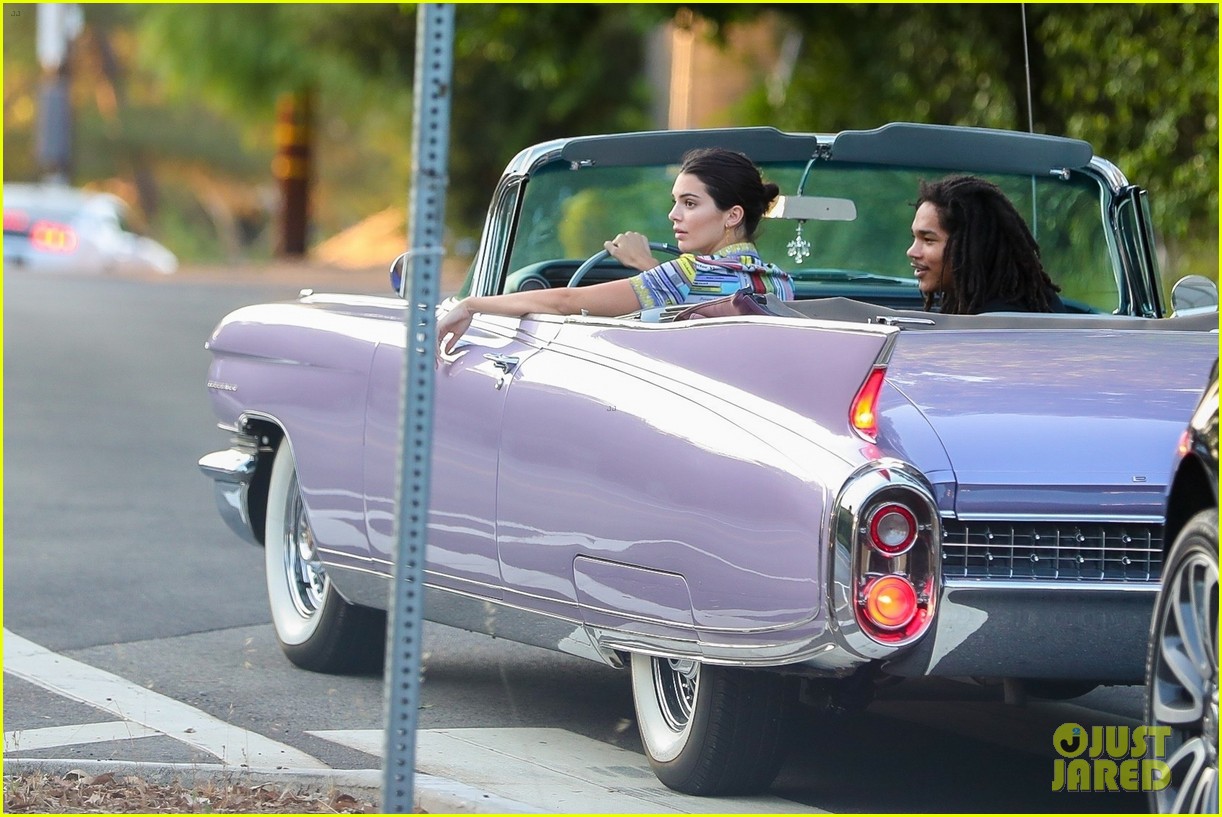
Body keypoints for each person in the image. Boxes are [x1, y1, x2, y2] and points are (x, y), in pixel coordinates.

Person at [436, 147, 792, 354]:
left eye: (689, 203)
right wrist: (648, 267)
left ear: (732, 215)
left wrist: (471, 304)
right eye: (675, 202)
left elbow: (564, 302)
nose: (673, 214)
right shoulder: (780, 283)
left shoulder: (687, 273)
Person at [907, 174, 1066, 314]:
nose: (911, 252)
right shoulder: (1036, 301)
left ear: (972, 247)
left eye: (928, 240)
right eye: (914, 237)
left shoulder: (993, 325)